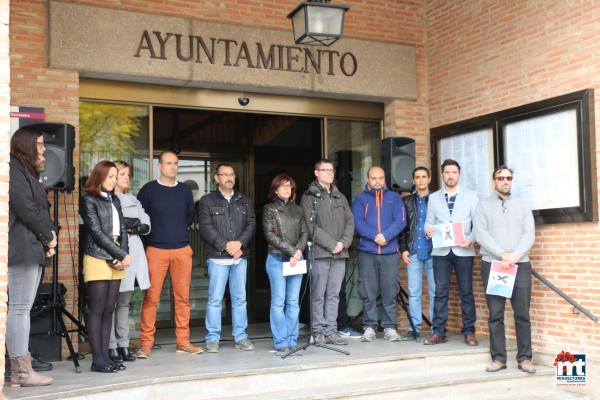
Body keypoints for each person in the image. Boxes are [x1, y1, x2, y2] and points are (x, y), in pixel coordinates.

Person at [136, 151, 201, 358]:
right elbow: (141, 220)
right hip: (156, 250)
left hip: (182, 249)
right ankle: (146, 344)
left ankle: (183, 341)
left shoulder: (184, 190)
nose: (173, 167)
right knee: (151, 298)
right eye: (169, 163)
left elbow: (189, 216)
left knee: (182, 299)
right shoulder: (148, 190)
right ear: (159, 166)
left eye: (176, 164)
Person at [474, 166, 536, 374]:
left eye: (508, 178)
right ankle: (499, 358)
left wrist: (516, 255)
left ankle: (525, 358)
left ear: (512, 180)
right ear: (494, 182)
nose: (505, 181)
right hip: (494, 265)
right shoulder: (482, 205)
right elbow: (481, 234)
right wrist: (502, 254)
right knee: (496, 314)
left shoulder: (523, 205)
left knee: (522, 314)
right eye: (500, 178)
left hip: (520, 264)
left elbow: (529, 234)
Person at [7, 126, 56, 386]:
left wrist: (47, 238)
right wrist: (48, 236)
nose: (44, 148)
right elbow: (27, 210)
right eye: (39, 144)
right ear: (26, 145)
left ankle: (20, 371)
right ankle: (21, 372)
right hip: (22, 248)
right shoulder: (15, 171)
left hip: (32, 247)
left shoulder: (27, 173)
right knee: (19, 309)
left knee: (21, 309)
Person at [198, 163, 257, 353]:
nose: (229, 178)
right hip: (217, 258)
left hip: (240, 257)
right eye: (225, 175)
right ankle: (212, 338)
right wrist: (226, 245)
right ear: (216, 178)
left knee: (240, 299)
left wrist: (239, 244)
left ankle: (241, 336)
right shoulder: (207, 201)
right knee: (215, 299)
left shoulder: (244, 200)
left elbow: (251, 224)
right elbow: (206, 228)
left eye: (232, 174)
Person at [81, 160, 131, 373]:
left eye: (115, 176)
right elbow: (96, 232)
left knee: (109, 308)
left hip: (116, 256)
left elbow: (124, 231)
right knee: (97, 308)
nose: (114, 180)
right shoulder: (88, 199)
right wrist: (119, 253)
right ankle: (98, 360)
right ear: (99, 176)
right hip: (97, 255)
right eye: (110, 176)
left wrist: (123, 254)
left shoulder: (115, 199)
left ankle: (106, 358)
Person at [424, 159, 479, 346]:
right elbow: (428, 222)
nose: (450, 176)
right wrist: (428, 230)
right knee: (440, 292)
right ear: (442, 174)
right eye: (447, 172)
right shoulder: (433, 198)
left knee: (466, 292)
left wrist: (470, 239)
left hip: (464, 250)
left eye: (454, 172)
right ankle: (438, 332)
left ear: (459, 174)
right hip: (440, 251)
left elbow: (477, 224)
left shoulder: (471, 196)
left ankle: (469, 331)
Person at [300, 159, 354, 346]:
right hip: (321, 253)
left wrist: (343, 243)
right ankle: (318, 331)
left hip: (340, 254)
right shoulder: (309, 196)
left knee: (334, 294)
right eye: (325, 170)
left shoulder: (340, 196)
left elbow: (350, 222)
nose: (330, 174)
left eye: (332, 170)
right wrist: (332, 244)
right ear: (316, 173)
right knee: (318, 294)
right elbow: (310, 224)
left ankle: (332, 330)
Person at [351, 166, 406, 342]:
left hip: (389, 252)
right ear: (368, 179)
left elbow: (401, 221)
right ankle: (369, 327)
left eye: (381, 178)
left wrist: (386, 236)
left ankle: (389, 328)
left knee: (390, 291)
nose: (377, 181)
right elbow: (357, 223)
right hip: (367, 252)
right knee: (368, 292)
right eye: (374, 178)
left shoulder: (395, 198)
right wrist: (375, 236)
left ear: (385, 179)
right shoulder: (360, 199)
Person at [108, 160, 151, 363]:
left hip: (134, 252)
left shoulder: (134, 198)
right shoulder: (106, 198)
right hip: (115, 252)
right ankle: (111, 346)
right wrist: (133, 225)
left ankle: (124, 344)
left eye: (128, 174)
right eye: (123, 173)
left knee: (124, 302)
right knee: (111, 303)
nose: (127, 177)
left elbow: (147, 224)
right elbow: (114, 224)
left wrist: (133, 226)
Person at [262, 174, 308, 356]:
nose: (287, 189)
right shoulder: (269, 209)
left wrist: (298, 251)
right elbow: (270, 235)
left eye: (289, 185)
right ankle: (281, 341)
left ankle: (292, 340)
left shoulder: (298, 210)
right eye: (283, 186)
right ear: (275, 190)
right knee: (279, 301)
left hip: (296, 259)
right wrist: (293, 252)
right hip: (276, 258)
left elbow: (305, 233)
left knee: (293, 303)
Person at [399, 166, 435, 341]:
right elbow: (403, 229)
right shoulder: (406, 202)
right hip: (413, 251)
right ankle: (415, 328)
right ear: (413, 180)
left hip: (435, 252)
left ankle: (437, 328)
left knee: (435, 291)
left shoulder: (436, 199)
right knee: (414, 292)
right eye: (417, 177)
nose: (420, 180)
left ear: (429, 179)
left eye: (423, 176)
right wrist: (404, 249)